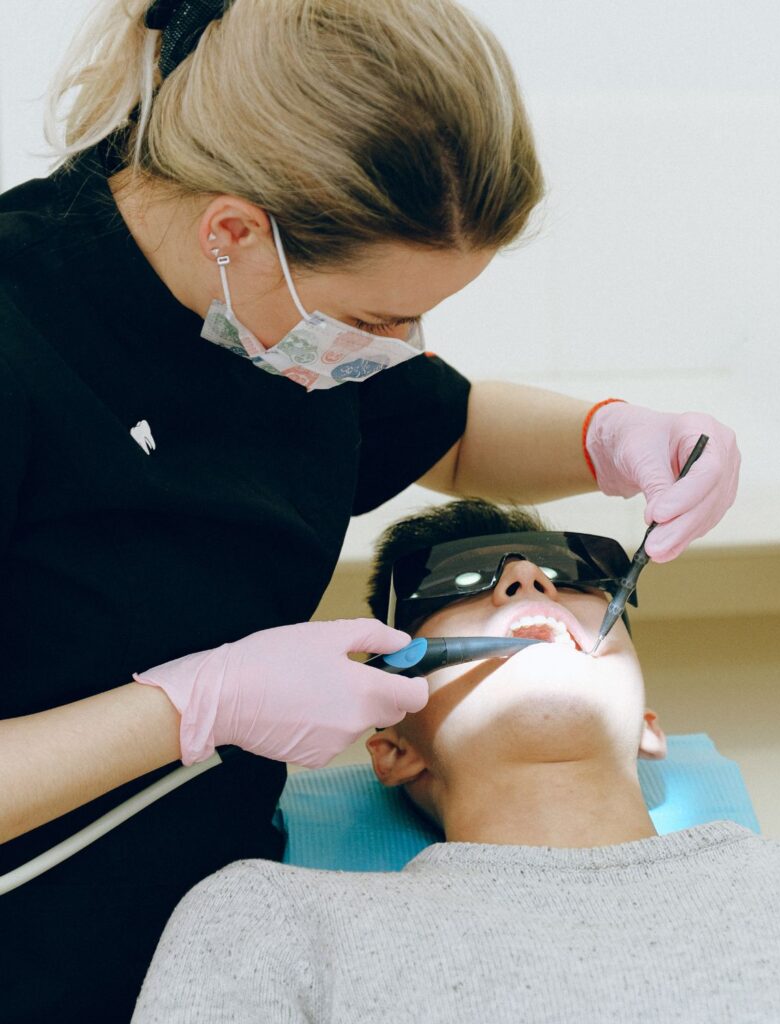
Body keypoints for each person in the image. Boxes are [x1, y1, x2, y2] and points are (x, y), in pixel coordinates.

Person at [0, 1, 740, 1019]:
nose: (402, 344)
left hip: (202, 922)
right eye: (377, 320)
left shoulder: (274, 313)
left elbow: (441, 424)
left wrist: (608, 437)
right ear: (231, 231)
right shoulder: (21, 340)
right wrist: (197, 704)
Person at [132, 499, 780, 1023]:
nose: (525, 579)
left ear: (649, 729)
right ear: (393, 748)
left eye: (573, 576)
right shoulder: (272, 918)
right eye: (456, 584)